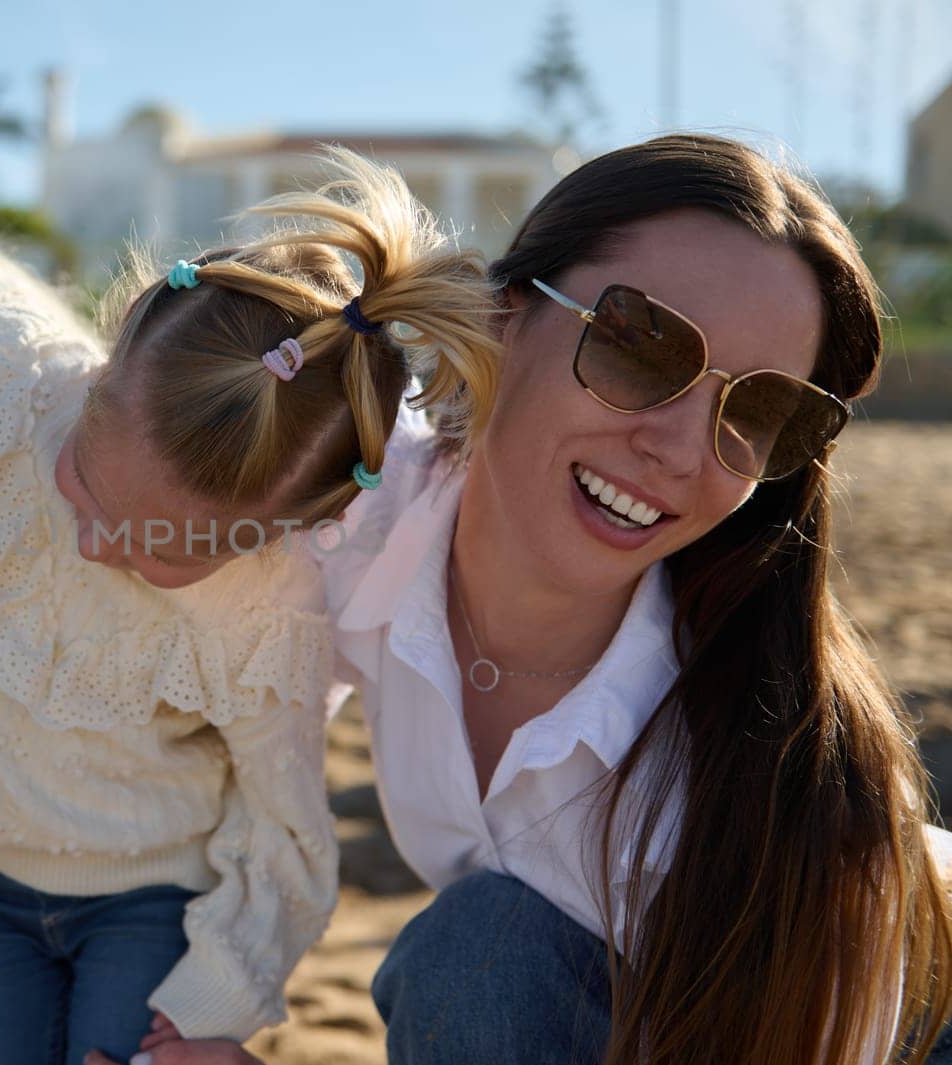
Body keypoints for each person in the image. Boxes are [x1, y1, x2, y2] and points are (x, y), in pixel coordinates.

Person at [88, 133, 952, 1065]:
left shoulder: (777, 787)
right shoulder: (362, 506)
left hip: (899, 1017)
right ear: (507, 314)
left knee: (481, 961)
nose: (679, 448)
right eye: (641, 344)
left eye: (759, 411)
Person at [0, 150, 500, 1064]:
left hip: (149, 897)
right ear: (107, 362)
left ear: (288, 533)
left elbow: (283, 821)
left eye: (166, 548)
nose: (102, 545)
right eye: (89, 492)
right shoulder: (14, 380)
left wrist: (216, 985)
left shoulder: (266, 612)